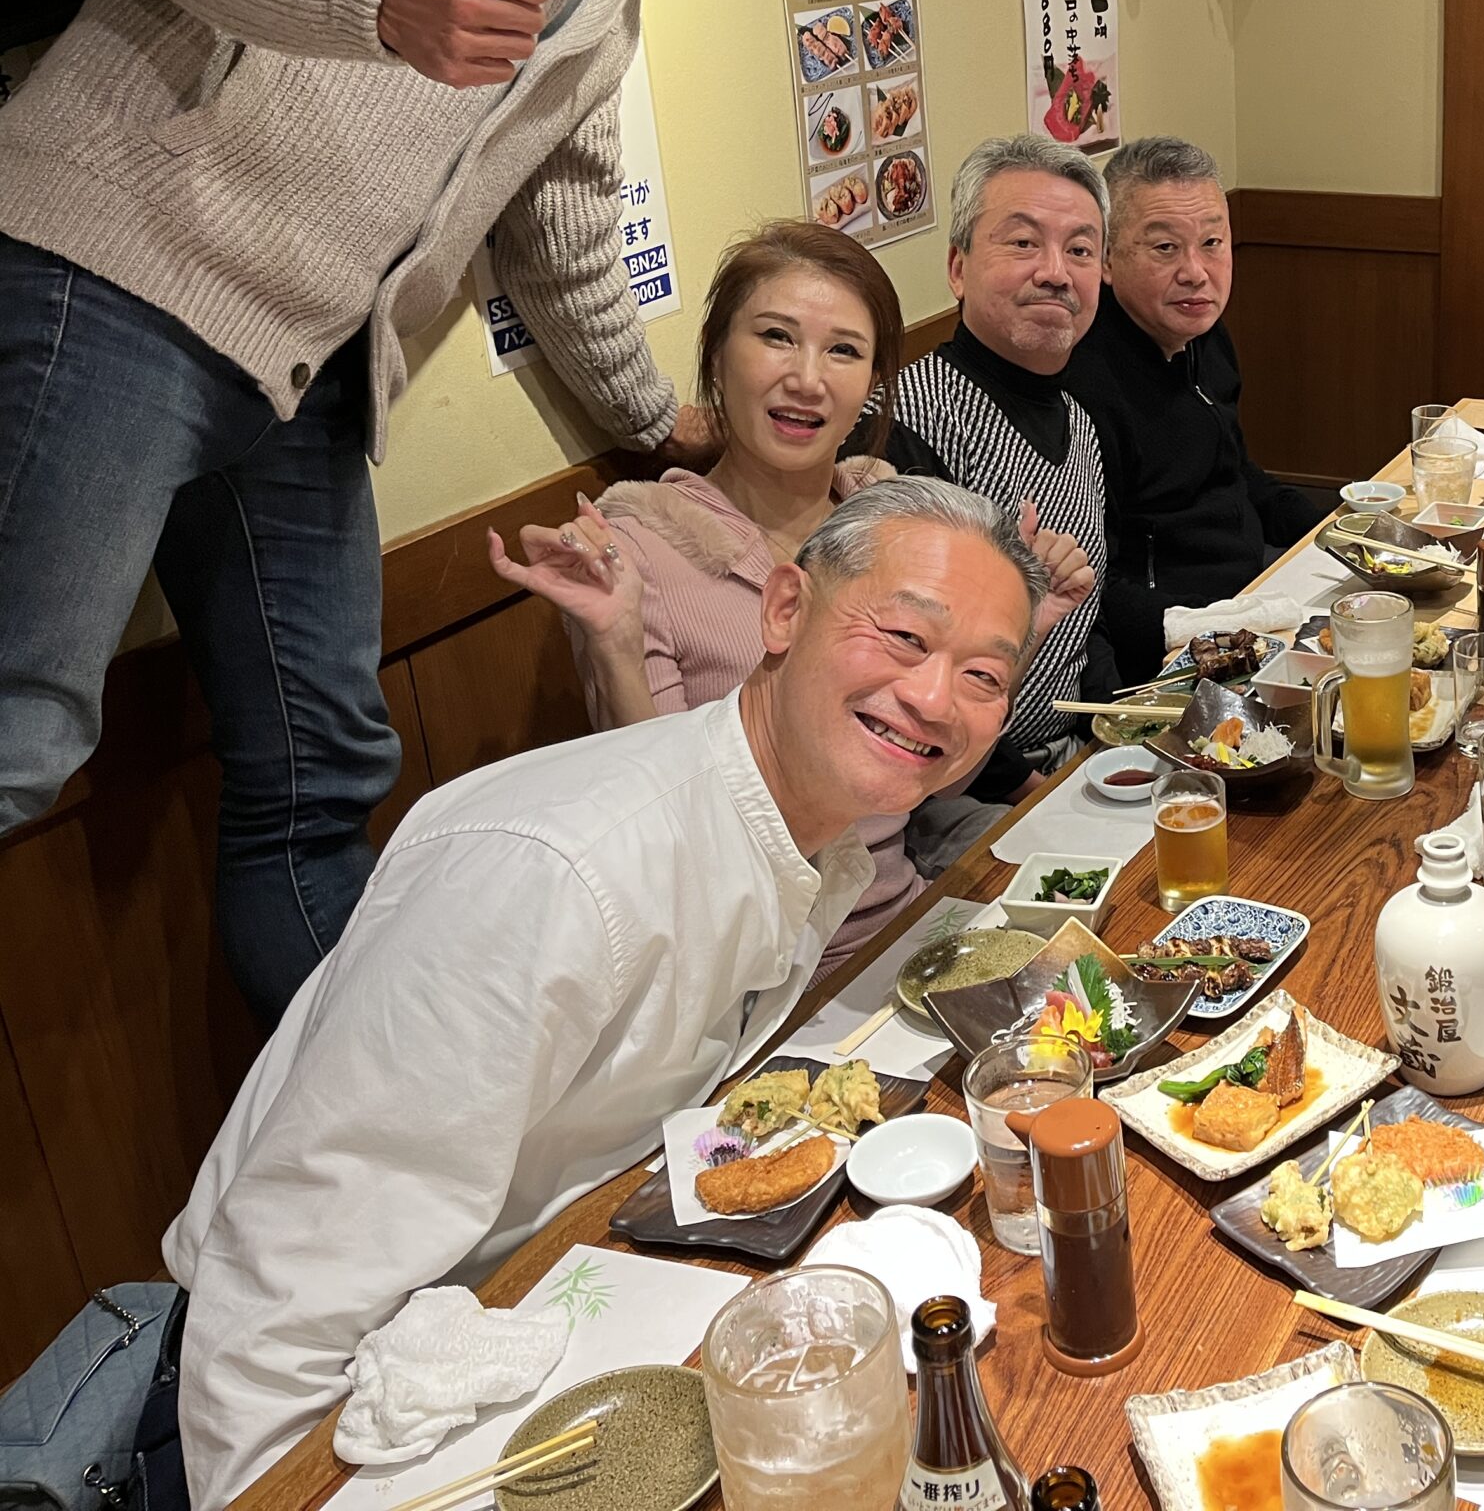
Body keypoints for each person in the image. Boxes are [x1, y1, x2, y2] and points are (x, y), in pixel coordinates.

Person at [0, 0, 832, 1025]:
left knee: (323, 775)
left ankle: (367, 1126)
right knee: (21, 734)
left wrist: (664, 425)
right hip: (121, 273)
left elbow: (562, 237)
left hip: (297, 375)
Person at [165, 479, 1047, 1504]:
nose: (934, 698)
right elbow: (273, 1323)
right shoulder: (557, 874)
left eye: (982, 675)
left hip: (575, 1306)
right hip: (366, 1408)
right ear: (783, 610)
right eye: (902, 636)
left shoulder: (804, 834)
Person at [488, 224, 932, 971]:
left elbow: (937, 769)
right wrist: (615, 642)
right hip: (758, 974)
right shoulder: (641, 549)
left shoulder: (884, 519)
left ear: (871, 383)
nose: (807, 378)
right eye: (776, 337)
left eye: (844, 350)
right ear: (718, 357)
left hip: (906, 920)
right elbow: (660, 828)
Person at [895, 136, 1116, 863]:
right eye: (1023, 243)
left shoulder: (1078, 422)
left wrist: (1121, 732)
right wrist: (1031, 788)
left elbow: (1085, 624)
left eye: (1080, 251)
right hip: (948, 795)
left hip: (1070, 755)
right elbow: (910, 666)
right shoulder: (909, 420)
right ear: (958, 268)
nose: (1055, 272)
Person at [1065, 136, 1328, 677]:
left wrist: (1336, 531)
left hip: (1252, 590)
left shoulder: (1202, 333)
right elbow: (1094, 587)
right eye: (1165, 248)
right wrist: (1216, 632)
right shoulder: (1083, 382)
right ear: (1107, 258)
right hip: (1177, 643)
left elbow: (1237, 472)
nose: (1196, 271)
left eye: (1212, 242)